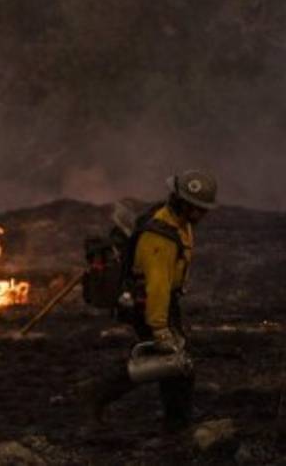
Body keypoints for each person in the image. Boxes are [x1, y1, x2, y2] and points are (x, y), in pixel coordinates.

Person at [84, 169, 218, 432]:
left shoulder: (177, 223)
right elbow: (157, 286)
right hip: (149, 305)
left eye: (203, 209)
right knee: (168, 362)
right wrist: (160, 329)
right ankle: (98, 395)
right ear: (181, 202)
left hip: (160, 302)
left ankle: (174, 422)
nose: (201, 214)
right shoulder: (160, 237)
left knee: (171, 365)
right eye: (195, 208)